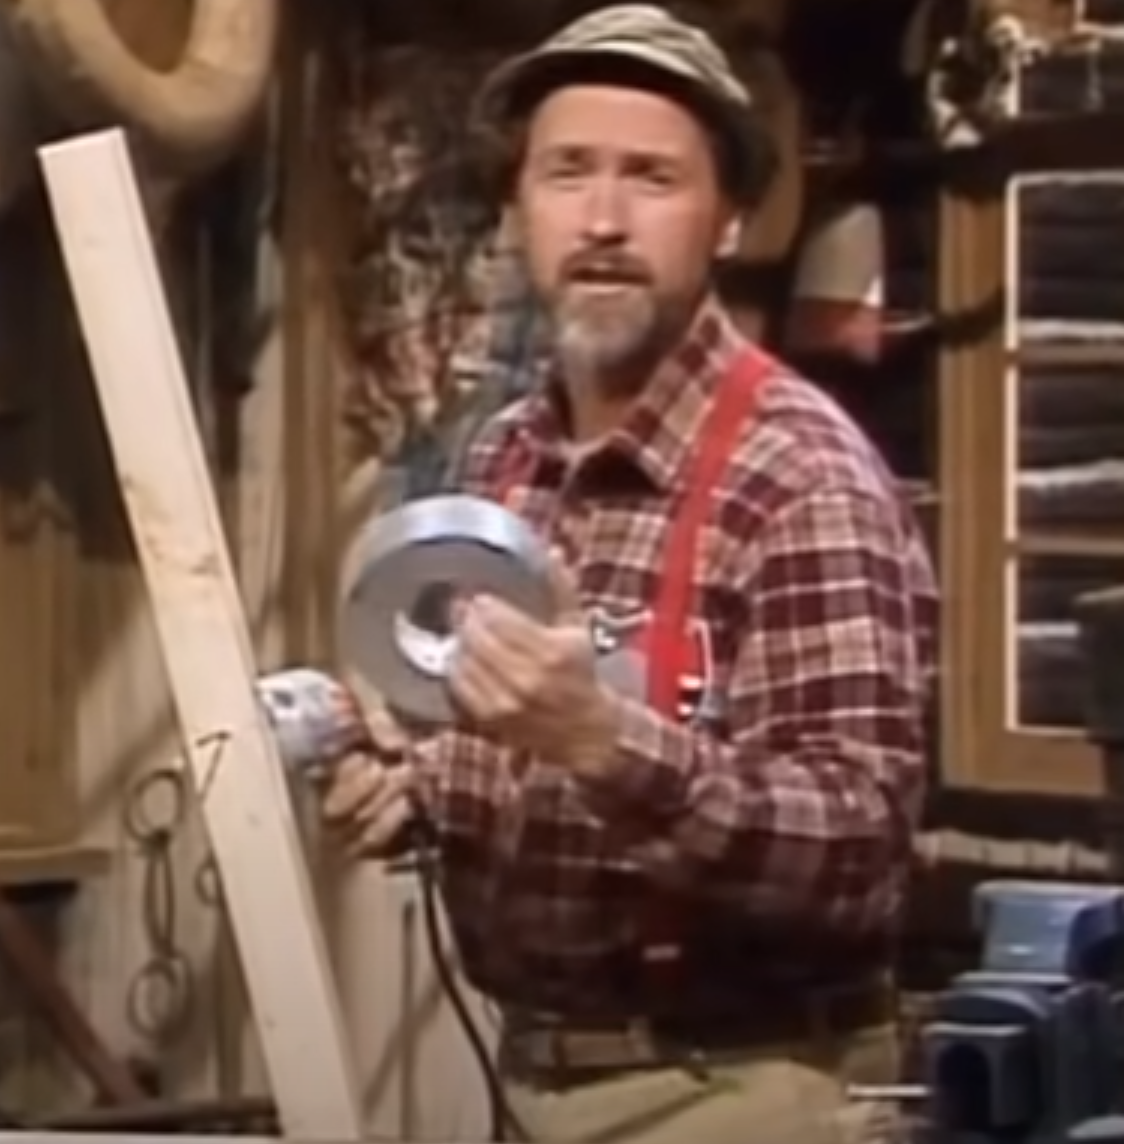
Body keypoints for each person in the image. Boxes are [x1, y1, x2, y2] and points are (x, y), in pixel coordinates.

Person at [321, 6, 938, 1143]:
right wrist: (418, 791)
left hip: (748, 1091)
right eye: (567, 172)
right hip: (531, 1079)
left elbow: (854, 855)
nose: (602, 221)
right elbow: (505, 763)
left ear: (728, 219)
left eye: (652, 178)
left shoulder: (801, 476)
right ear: (518, 210)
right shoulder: (505, 458)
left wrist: (601, 741)